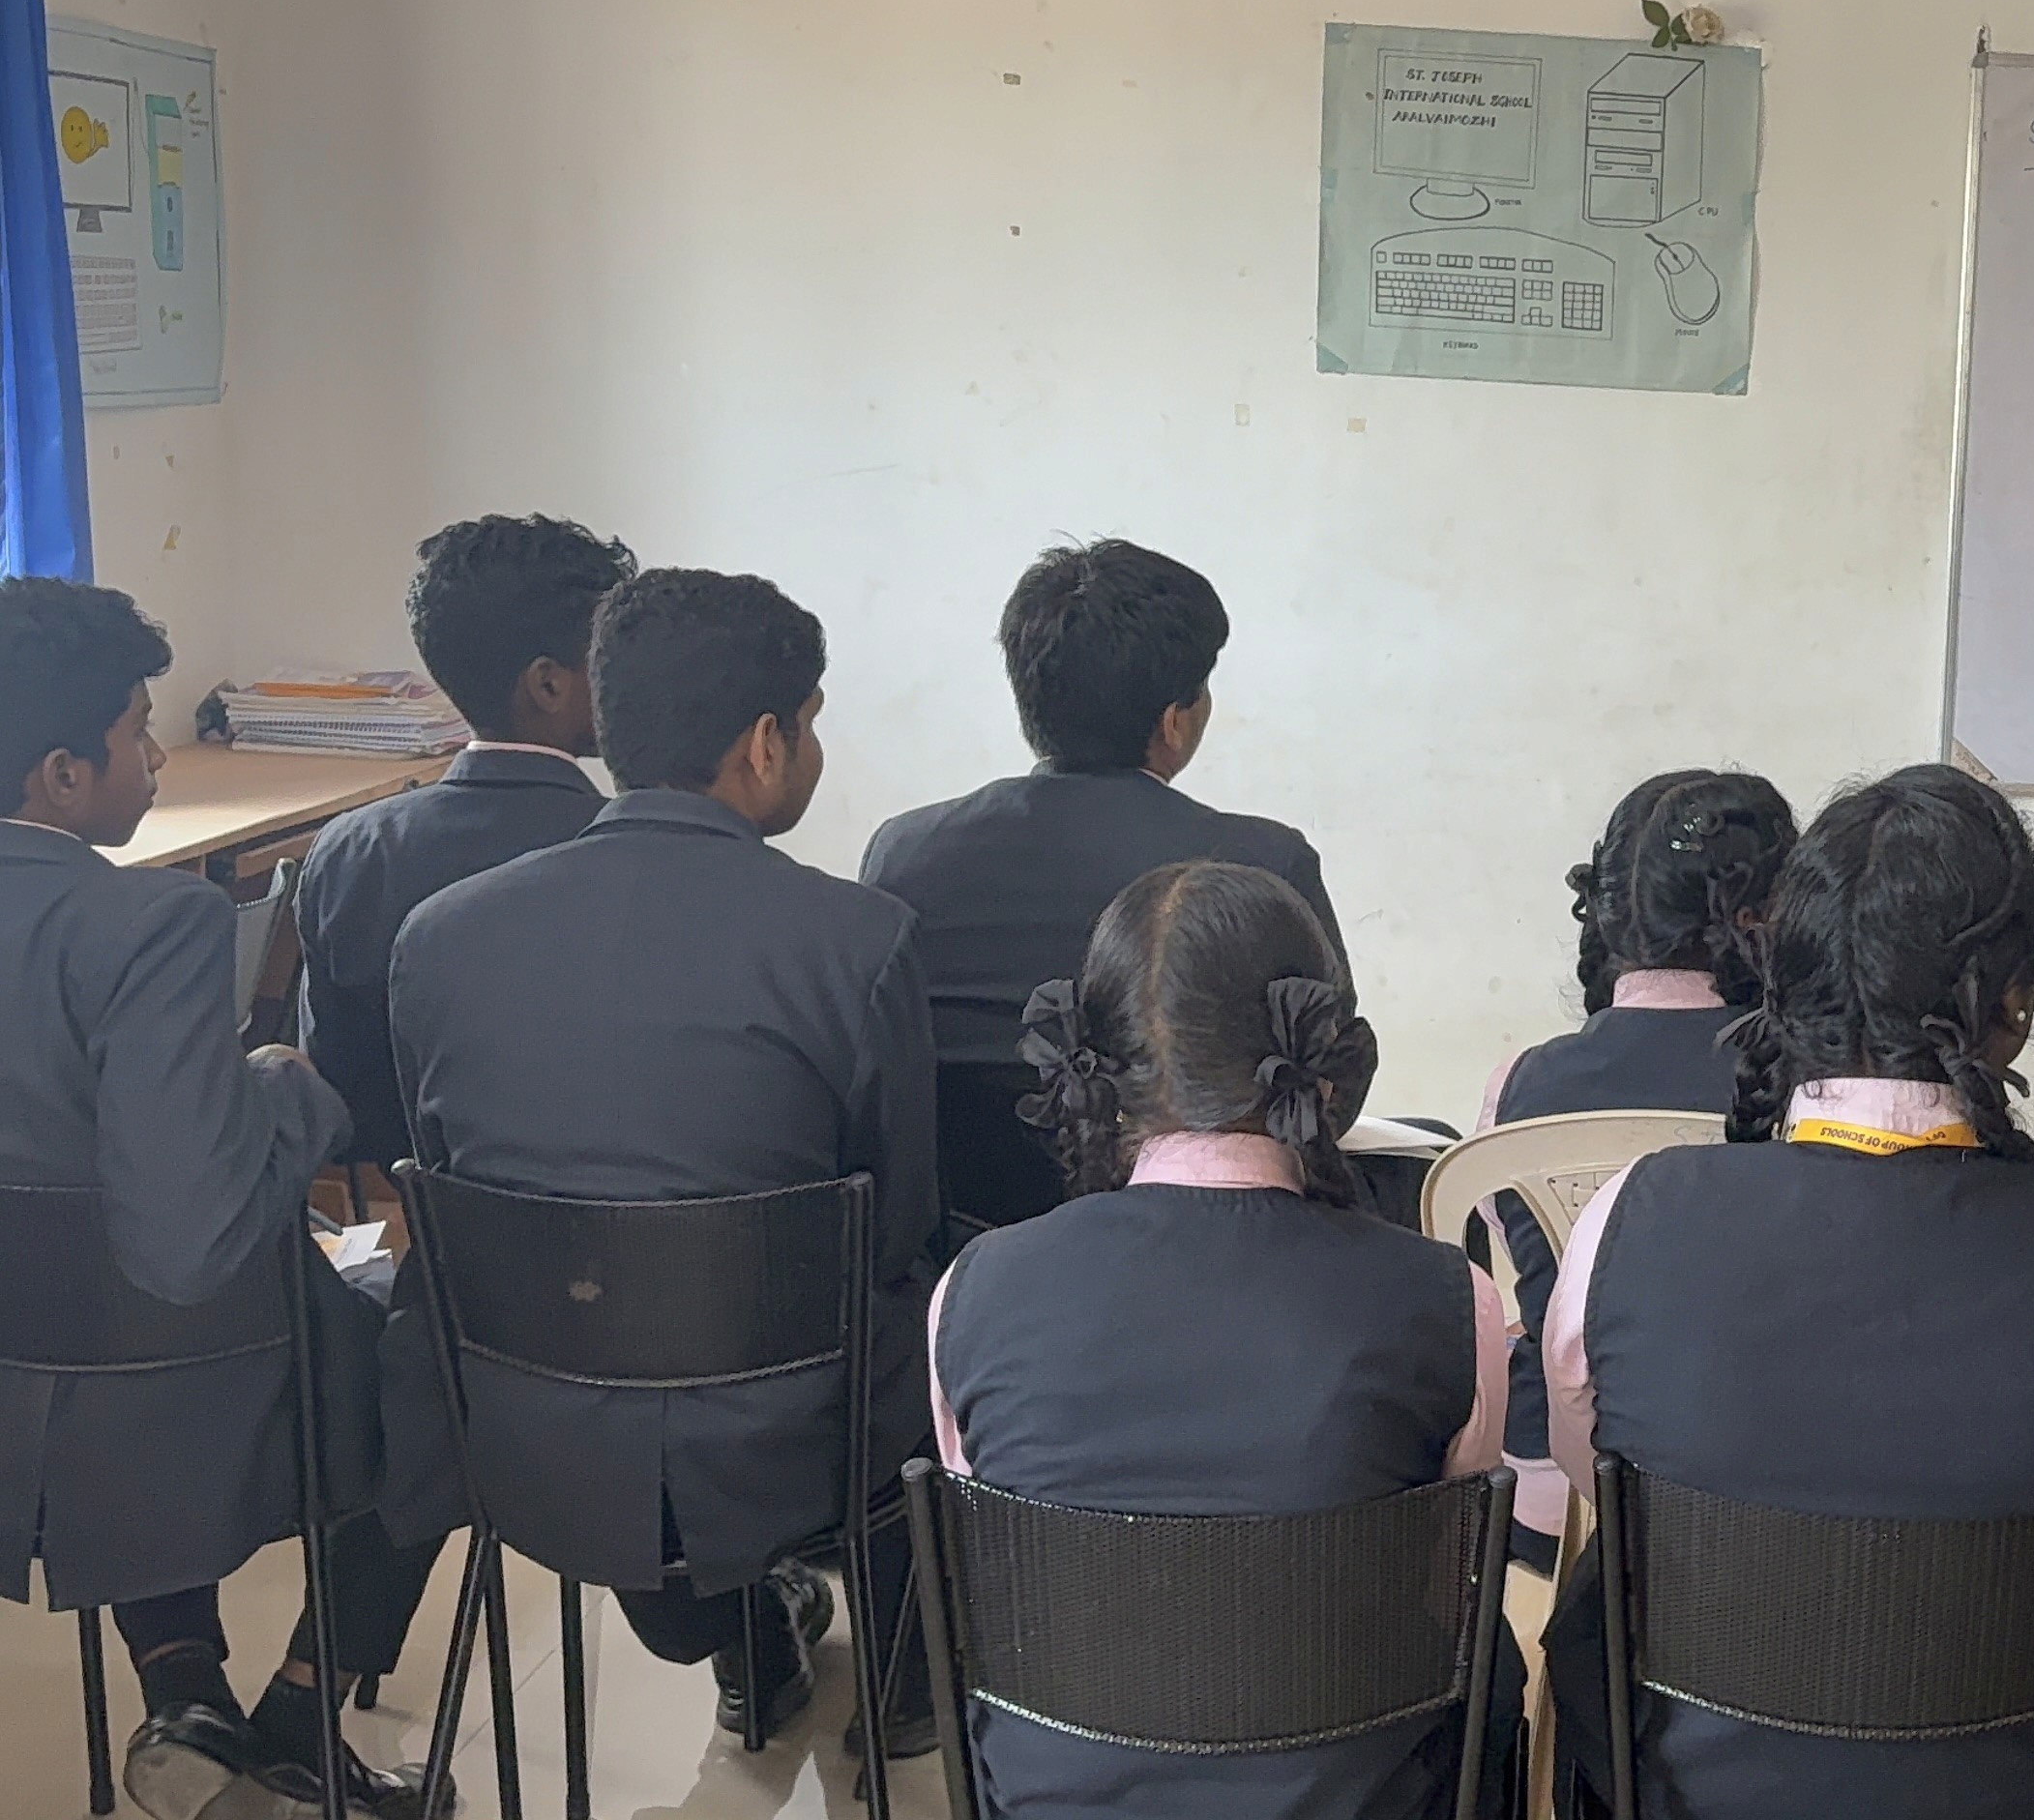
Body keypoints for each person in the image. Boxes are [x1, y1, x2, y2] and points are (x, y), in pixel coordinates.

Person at [1538, 763, 2034, 1819]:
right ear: (2014, 1002)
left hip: (1696, 1790)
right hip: (2026, 1789)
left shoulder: (1636, 1217)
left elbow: (1598, 1475)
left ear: (1779, 977)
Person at [389, 568, 938, 1750]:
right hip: (795, 1448)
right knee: (942, 1296)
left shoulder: (438, 939)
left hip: (528, 1436)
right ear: (764, 743)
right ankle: (908, 1680)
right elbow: (898, 1227)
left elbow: (448, 1191)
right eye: (812, 724)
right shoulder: (858, 941)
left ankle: (741, 1635)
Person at [929, 860, 1520, 1815]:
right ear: (1322, 1059)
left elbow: (997, 1554)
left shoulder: (974, 1293)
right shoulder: (1449, 1301)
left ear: (1096, 1065)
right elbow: (1450, 1578)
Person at [0, 577, 453, 1820]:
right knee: (431, 1360)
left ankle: (188, 1697)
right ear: (63, 775)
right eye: (138, 730)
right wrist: (286, 1089)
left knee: (118, 1373)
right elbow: (190, 1242)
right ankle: (300, 1718)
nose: (155, 757)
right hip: (167, 1367)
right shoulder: (155, 924)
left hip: (24, 1386)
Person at [861, 540, 1341, 1232]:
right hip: (1209, 1244)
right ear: (1175, 719)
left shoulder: (904, 854)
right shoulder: (1261, 865)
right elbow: (1328, 1081)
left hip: (964, 1244)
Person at [1471, 768, 1794, 1568]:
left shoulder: (1518, 1084)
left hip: (1540, 1484)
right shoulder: (1796, 1083)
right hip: (1734, 1487)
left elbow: (1509, 1240)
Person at [296, 515, 637, 1171]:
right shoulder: (634, 846)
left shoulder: (348, 849)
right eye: (608, 659)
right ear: (548, 684)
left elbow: (340, 1081)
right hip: (610, 1201)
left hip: (416, 1203)